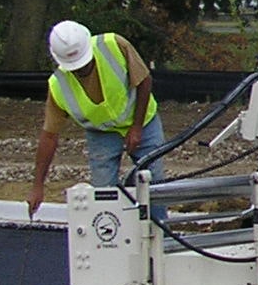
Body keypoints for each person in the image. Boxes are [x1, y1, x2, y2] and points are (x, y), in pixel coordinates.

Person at [28, 20, 168, 218]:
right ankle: (112, 239)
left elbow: (144, 80)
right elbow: (49, 136)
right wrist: (37, 186)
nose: (81, 70)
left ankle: (158, 236)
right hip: (102, 133)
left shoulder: (114, 45)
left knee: (154, 185)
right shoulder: (58, 85)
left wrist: (136, 127)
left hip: (143, 121)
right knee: (103, 195)